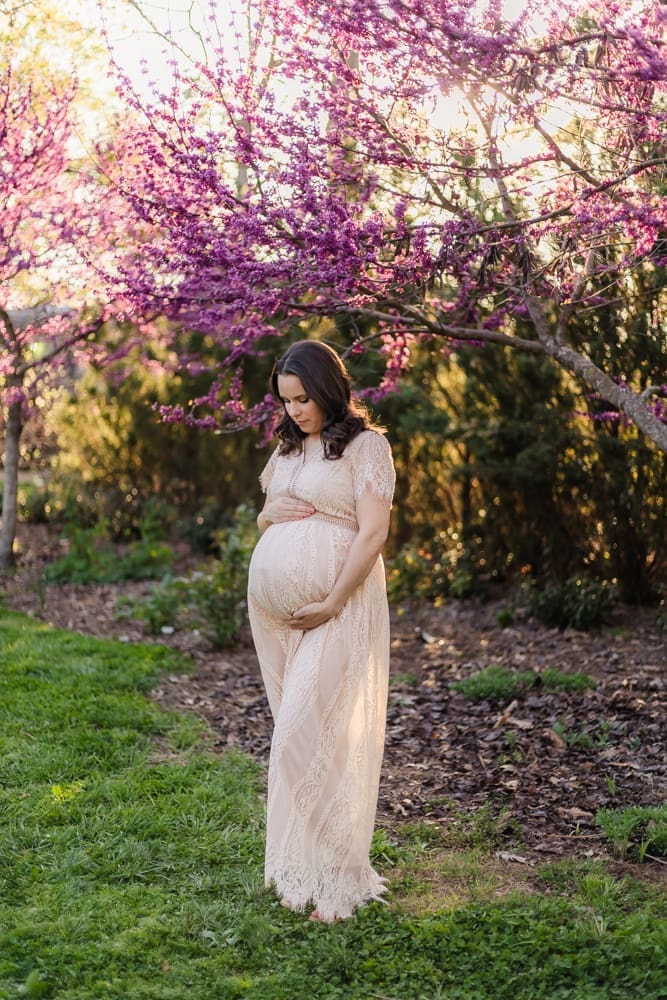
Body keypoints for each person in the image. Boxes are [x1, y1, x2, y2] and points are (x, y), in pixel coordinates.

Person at [247, 339, 395, 924]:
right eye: (285, 401)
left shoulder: (367, 447)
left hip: (340, 606)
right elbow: (268, 514)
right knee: (297, 737)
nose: (295, 411)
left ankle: (342, 879)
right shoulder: (287, 449)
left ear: (329, 388)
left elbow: (374, 532)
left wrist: (333, 600)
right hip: (276, 615)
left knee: (308, 734)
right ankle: (304, 869)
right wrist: (269, 517)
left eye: (303, 398)